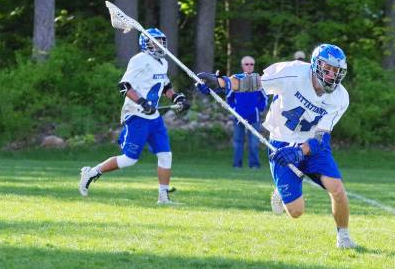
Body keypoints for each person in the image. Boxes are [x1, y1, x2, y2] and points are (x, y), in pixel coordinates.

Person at [195, 43, 356, 249]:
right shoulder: (292, 72)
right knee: (296, 212)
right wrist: (220, 82)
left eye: (337, 71)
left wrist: (299, 152)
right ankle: (281, 190)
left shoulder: (340, 97)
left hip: (311, 144)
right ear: (316, 66)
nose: (332, 75)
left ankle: (343, 236)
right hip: (281, 139)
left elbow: (320, 137)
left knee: (337, 189)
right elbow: (254, 82)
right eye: (328, 69)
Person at [78, 28, 190, 204]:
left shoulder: (163, 62)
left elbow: (165, 86)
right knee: (129, 159)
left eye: (161, 41)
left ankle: (163, 197)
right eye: (156, 41)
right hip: (137, 116)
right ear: (146, 43)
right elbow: (124, 86)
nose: (160, 44)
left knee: (165, 155)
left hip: (154, 117)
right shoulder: (140, 59)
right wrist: (142, 103)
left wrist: (177, 97)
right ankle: (91, 172)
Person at [227, 56, 267, 168]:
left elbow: (264, 98)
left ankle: (254, 165)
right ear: (242, 65)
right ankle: (237, 165)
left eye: (251, 64)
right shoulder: (236, 80)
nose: (249, 66)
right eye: (247, 64)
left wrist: (258, 109)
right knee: (237, 143)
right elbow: (229, 98)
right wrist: (235, 110)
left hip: (254, 118)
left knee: (254, 144)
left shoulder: (258, 81)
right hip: (238, 118)